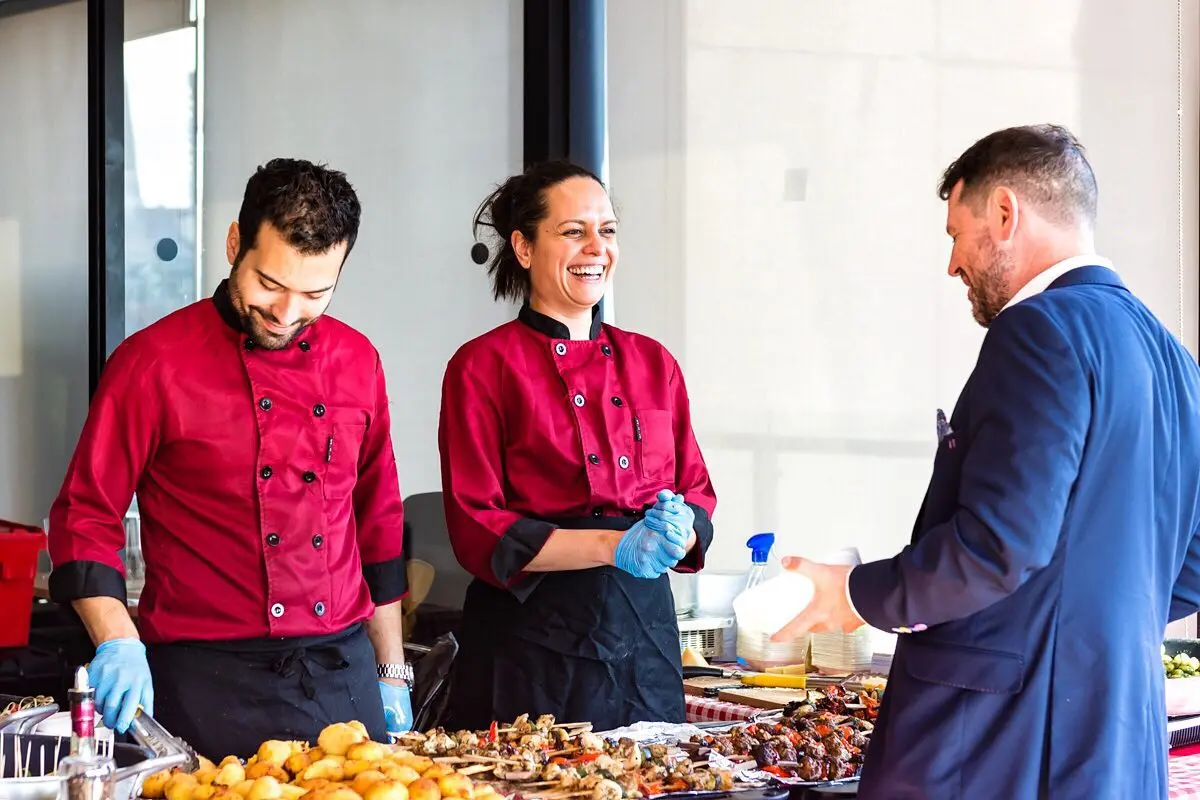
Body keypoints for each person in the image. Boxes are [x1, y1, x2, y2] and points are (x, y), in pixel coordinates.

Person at [773, 124, 1200, 797]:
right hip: (1118, 741)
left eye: (955, 233)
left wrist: (856, 596)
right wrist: (1087, 627)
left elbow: (998, 547)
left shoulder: (1036, 331)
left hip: (1004, 743)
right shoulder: (1175, 359)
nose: (952, 263)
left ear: (1005, 214)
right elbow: (1192, 563)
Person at [48, 158, 414, 759]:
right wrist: (117, 639)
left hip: (340, 676)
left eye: (315, 293)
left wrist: (391, 671)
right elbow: (84, 516)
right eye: (270, 284)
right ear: (234, 242)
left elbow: (377, 523)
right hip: (202, 681)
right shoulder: (152, 364)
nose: (287, 312)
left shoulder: (357, 360)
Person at [437, 160, 717, 731]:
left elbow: (696, 489)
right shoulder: (481, 367)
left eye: (607, 231)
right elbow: (477, 526)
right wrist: (613, 547)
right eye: (573, 231)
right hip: (529, 650)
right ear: (522, 246)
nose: (597, 247)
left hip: (644, 643)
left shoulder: (653, 362)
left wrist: (681, 524)